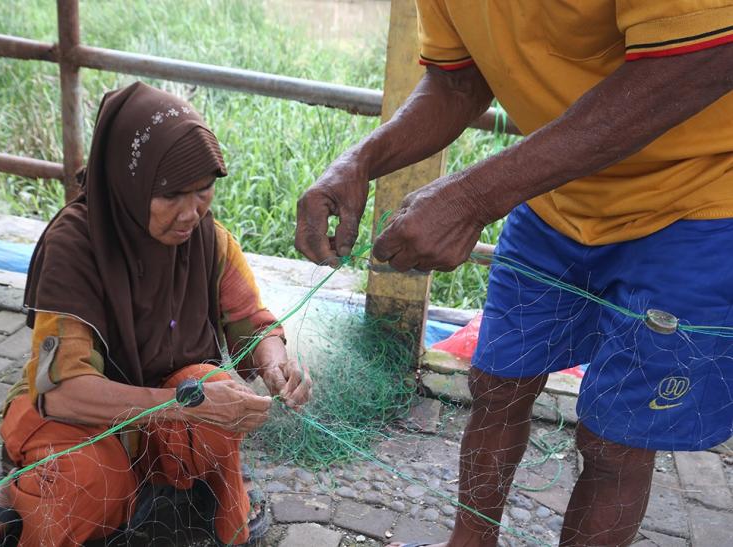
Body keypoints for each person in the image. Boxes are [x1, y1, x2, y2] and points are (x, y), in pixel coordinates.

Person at [295, 2, 733, 546]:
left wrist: (475, 196)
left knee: (614, 442)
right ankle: (471, 541)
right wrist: (361, 160)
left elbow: (699, 63)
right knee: (496, 385)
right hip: (555, 190)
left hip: (698, 208)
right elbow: (458, 84)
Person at [0, 81, 311, 547]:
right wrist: (180, 407)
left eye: (203, 191)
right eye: (172, 195)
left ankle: (158, 486)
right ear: (129, 182)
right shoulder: (75, 246)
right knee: (91, 480)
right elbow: (63, 393)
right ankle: (25, 485)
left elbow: (254, 323)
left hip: (157, 410)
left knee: (214, 389)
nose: (191, 212)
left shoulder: (210, 240)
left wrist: (275, 362)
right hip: (76, 415)